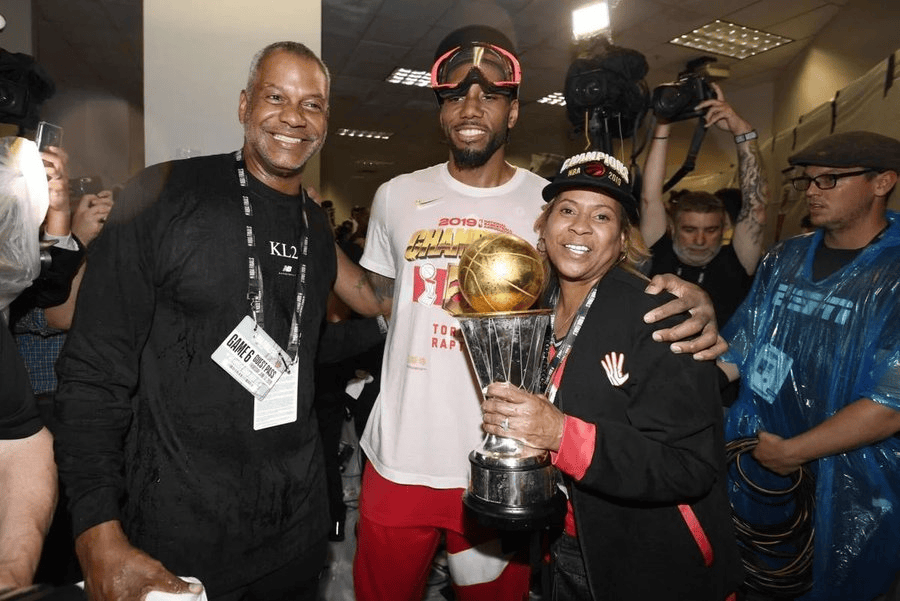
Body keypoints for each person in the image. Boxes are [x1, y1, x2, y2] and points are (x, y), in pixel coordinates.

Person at [348, 24, 726, 601]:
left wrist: (692, 298)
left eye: (491, 96)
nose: (472, 107)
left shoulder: (546, 199)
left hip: (511, 461)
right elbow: (381, 298)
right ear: (441, 111)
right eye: (456, 96)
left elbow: (611, 272)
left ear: (514, 112)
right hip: (400, 451)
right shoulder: (396, 195)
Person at [52, 42, 383, 601]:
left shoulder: (313, 224)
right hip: (179, 540)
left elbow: (304, 350)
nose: (294, 117)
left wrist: (389, 328)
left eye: (313, 104)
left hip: (295, 538)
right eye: (275, 97)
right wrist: (95, 528)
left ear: (326, 121)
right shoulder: (164, 196)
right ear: (244, 104)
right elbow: (93, 371)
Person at [481, 150, 743, 600]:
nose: (580, 227)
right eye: (567, 210)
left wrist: (562, 435)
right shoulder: (530, 305)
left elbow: (691, 467)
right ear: (543, 227)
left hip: (647, 561)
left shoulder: (660, 318)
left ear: (623, 241)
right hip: (561, 540)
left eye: (602, 216)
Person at [718, 130, 900, 601]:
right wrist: (685, 387)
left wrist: (793, 452)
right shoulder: (785, 258)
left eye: (829, 179)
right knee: (756, 581)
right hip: (761, 467)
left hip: (854, 485)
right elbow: (743, 345)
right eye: (809, 180)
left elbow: (890, 405)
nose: (813, 191)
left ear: (882, 183)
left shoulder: (894, 275)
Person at [642, 83, 768, 326]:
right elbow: (650, 197)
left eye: (710, 230)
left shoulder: (737, 260)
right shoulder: (659, 250)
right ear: (673, 227)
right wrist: (663, 121)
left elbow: (756, 206)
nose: (700, 241)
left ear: (724, 227)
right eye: (689, 229)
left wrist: (742, 131)